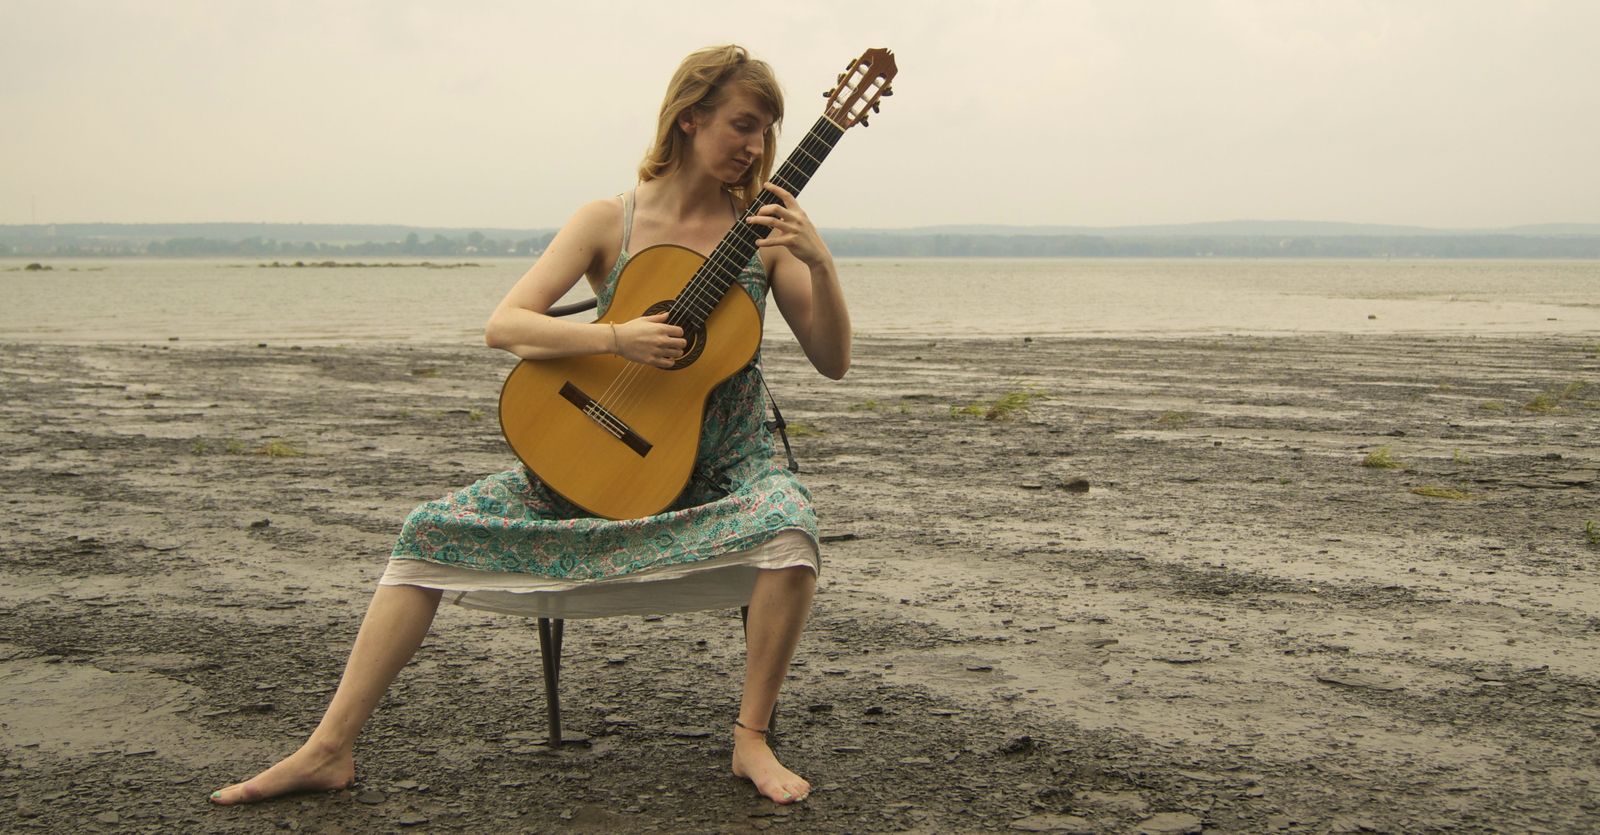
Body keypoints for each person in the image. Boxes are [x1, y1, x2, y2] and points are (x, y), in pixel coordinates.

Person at [209, 44, 849, 808]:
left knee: (790, 521)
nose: (756, 145)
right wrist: (617, 338)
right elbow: (504, 324)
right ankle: (328, 746)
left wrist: (821, 262)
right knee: (423, 532)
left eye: (769, 130)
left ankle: (750, 737)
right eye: (744, 124)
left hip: (719, 477)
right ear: (690, 118)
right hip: (593, 467)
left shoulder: (767, 235)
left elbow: (833, 359)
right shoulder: (609, 219)